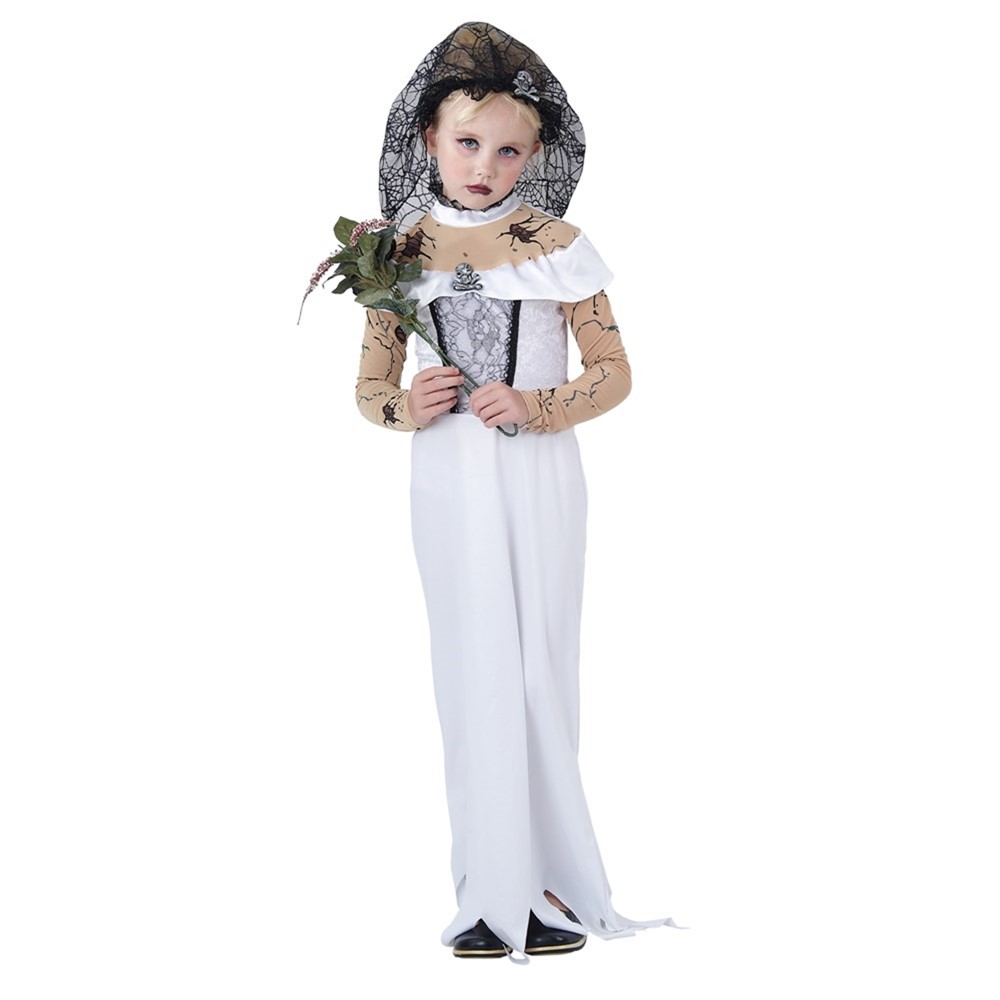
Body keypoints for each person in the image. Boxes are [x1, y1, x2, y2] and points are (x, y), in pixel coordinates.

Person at [353, 22, 677, 961]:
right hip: (447, 481)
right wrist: (407, 405)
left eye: (507, 150)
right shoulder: (398, 248)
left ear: (535, 155)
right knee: (470, 666)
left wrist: (538, 405)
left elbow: (614, 374)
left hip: (538, 477)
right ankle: (487, 885)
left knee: (537, 662)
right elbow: (369, 390)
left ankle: (548, 879)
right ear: (429, 139)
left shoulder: (558, 246)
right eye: (467, 143)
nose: (484, 165)